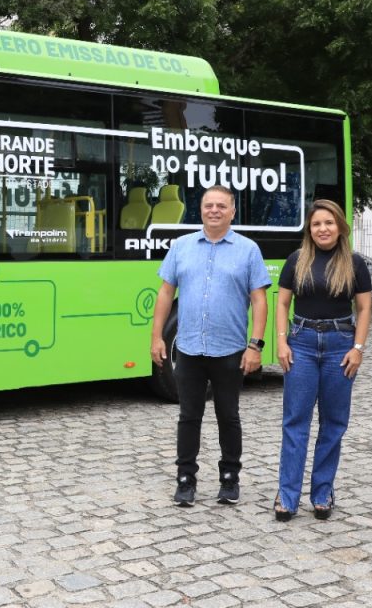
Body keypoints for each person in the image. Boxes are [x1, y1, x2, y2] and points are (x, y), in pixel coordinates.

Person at [150, 185, 271, 507]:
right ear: (200, 210)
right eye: (208, 205)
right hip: (188, 349)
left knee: (228, 416)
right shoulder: (182, 246)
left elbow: (259, 300)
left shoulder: (248, 250)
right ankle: (185, 479)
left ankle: (229, 479)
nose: (214, 210)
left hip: (230, 350)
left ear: (232, 212)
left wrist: (255, 346)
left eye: (221, 206)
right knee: (188, 417)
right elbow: (165, 293)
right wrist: (156, 336)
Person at [274, 199, 372, 521]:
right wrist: (282, 342)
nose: (322, 229)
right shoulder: (297, 260)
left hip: (339, 344)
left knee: (333, 423)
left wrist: (358, 348)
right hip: (300, 343)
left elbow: (365, 308)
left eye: (328, 223)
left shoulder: (355, 263)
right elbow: (282, 302)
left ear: (340, 226)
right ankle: (287, 496)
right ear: (309, 229)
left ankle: (322, 492)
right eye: (316, 224)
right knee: (295, 421)